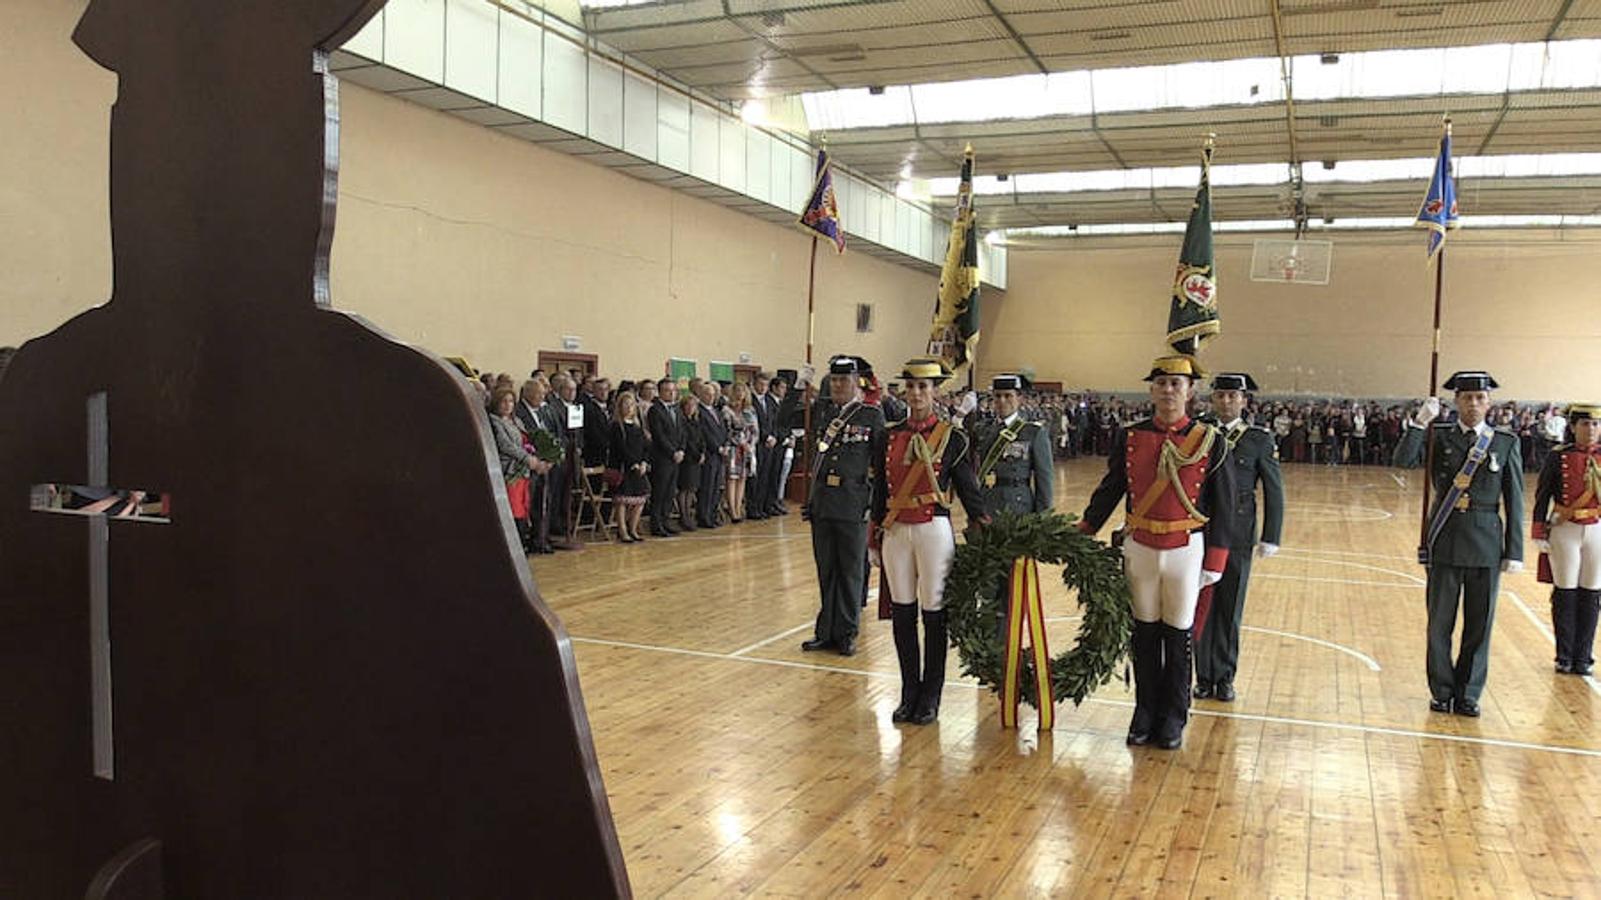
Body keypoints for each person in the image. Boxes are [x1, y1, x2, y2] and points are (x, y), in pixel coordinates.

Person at [1079, 355, 1238, 750]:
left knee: (1179, 634)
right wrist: (1085, 528)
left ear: (1190, 392)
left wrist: (1216, 559)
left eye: (1176, 384)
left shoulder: (1209, 440)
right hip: (1140, 547)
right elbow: (1112, 487)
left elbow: (1225, 502)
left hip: (1186, 549)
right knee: (1144, 634)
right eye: (1162, 383)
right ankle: (1144, 711)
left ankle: (1174, 716)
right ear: (1151, 389)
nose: (1168, 390)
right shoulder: (1130, 436)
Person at [1393, 371, 1524, 717]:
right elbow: (1402, 462)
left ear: (1489, 403)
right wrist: (1420, 424)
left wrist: (1515, 550)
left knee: (1479, 626)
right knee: (1440, 624)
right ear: (1457, 402)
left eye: (1480, 398)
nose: (1474, 404)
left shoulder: (1504, 442)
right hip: (1446, 540)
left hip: (1486, 544)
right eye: (1467, 398)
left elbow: (1514, 499)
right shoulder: (1440, 437)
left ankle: (1468, 693)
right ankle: (1441, 690)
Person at [872, 358, 985, 724]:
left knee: (934, 614)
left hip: (933, 529)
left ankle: (931, 696)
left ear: (936, 392)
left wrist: (985, 524)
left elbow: (968, 488)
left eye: (924, 387)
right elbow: (879, 489)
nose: (917, 394)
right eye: (911, 387)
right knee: (903, 613)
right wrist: (873, 534)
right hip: (895, 531)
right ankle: (909, 692)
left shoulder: (954, 438)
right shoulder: (887, 435)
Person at [1193, 372, 1285, 703]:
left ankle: (1224, 676)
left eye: (1234, 397)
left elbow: (1274, 489)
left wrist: (1271, 534)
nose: (1227, 402)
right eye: (1221, 396)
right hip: (1202, 531)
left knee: (1230, 608)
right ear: (1213, 399)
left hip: (1239, 534)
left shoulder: (1258, 439)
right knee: (1202, 604)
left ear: (1244, 401)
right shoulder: (1199, 432)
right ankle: (1203, 676)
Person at [798, 356, 887, 656]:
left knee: (850, 572)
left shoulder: (871, 416)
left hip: (853, 503)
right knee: (827, 570)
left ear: (856, 382)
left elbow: (880, 466)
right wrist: (800, 385)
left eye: (844, 380)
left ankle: (847, 632)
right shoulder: (821, 411)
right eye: (834, 380)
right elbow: (786, 419)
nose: (837, 385)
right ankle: (826, 632)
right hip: (822, 503)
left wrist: (874, 507)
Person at [1532, 403, 1601, 675]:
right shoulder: (1557, 456)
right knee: (1565, 592)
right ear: (1573, 427)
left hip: (1596, 527)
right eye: (1585, 424)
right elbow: (1543, 493)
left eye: (1596, 424)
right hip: (1565, 528)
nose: (1591, 429)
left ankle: (1583, 656)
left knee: (1592, 592)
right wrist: (1539, 529)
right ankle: (1564, 655)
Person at [969, 373, 1054, 516]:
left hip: (1017, 506)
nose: (1002, 401)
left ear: (1019, 398)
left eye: (1008, 396)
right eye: (997, 396)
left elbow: (1044, 478)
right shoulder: (982, 430)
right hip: (986, 504)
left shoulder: (1033, 432)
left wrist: (1043, 517)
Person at [491, 387, 546, 552]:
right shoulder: (494, 421)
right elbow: (505, 445)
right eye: (504, 401)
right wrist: (528, 459)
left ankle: (522, 544)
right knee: (513, 508)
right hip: (510, 470)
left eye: (511, 401)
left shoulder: (517, 421)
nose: (508, 405)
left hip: (523, 471)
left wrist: (540, 457)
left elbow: (527, 441)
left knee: (523, 507)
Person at [607, 391, 650, 542]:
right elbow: (621, 448)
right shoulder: (616, 426)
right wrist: (633, 463)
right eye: (625, 405)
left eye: (631, 405)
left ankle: (633, 528)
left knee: (640, 500)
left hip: (639, 468)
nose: (629, 408)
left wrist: (644, 462)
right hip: (624, 467)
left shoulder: (638, 426)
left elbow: (645, 447)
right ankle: (622, 530)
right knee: (622, 501)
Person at [646, 378, 686, 536]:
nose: (671, 393)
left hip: (676, 457)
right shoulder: (654, 410)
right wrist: (672, 452)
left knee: (670, 492)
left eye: (673, 390)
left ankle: (665, 520)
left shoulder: (676, 409)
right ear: (660, 392)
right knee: (660, 492)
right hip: (662, 457)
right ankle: (656, 525)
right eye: (668, 390)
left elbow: (682, 432)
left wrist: (681, 449)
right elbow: (659, 435)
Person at [725, 383, 759, 523]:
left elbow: (756, 430)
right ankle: (732, 510)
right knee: (732, 479)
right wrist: (742, 443)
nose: (740, 394)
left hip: (748, 450)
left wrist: (751, 444)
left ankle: (739, 508)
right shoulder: (727, 410)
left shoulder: (750, 410)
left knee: (742, 479)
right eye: (738, 391)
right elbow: (728, 430)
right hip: (734, 449)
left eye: (743, 391)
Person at [697, 382, 729, 529]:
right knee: (707, 486)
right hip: (710, 453)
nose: (711, 397)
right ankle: (704, 517)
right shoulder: (700, 412)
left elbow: (723, 430)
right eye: (707, 394)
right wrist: (717, 447)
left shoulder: (716, 411)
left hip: (720, 454)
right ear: (701, 395)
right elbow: (704, 433)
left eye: (713, 394)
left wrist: (726, 444)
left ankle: (712, 515)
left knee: (716, 486)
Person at [677, 392, 706, 531]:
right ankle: (683, 516)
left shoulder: (696, 421)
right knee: (685, 488)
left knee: (692, 489)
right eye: (688, 405)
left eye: (693, 405)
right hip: (688, 459)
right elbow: (686, 441)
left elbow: (701, 439)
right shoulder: (682, 422)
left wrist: (702, 452)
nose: (691, 408)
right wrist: (696, 454)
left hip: (696, 459)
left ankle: (688, 514)